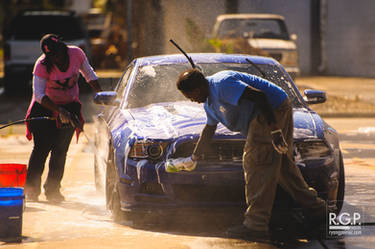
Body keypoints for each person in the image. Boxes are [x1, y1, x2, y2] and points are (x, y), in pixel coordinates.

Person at [175, 69, 327, 240]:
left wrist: (275, 130)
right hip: (271, 112)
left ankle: (256, 225)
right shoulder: (209, 103)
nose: (192, 100)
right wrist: (193, 158)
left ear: (199, 86)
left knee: (256, 164)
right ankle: (320, 213)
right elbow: (209, 129)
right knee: (284, 169)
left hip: (271, 111)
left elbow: (260, 97)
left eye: (191, 95)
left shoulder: (222, 84)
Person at [24, 34, 102, 202]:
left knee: (60, 151)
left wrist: (101, 94)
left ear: (63, 48)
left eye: (58, 53)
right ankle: (32, 190)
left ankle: (53, 191)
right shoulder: (42, 65)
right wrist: (58, 111)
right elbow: (38, 95)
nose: (56, 58)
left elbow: (89, 75)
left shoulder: (76, 54)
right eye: (52, 56)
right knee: (41, 150)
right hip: (44, 107)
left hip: (69, 105)